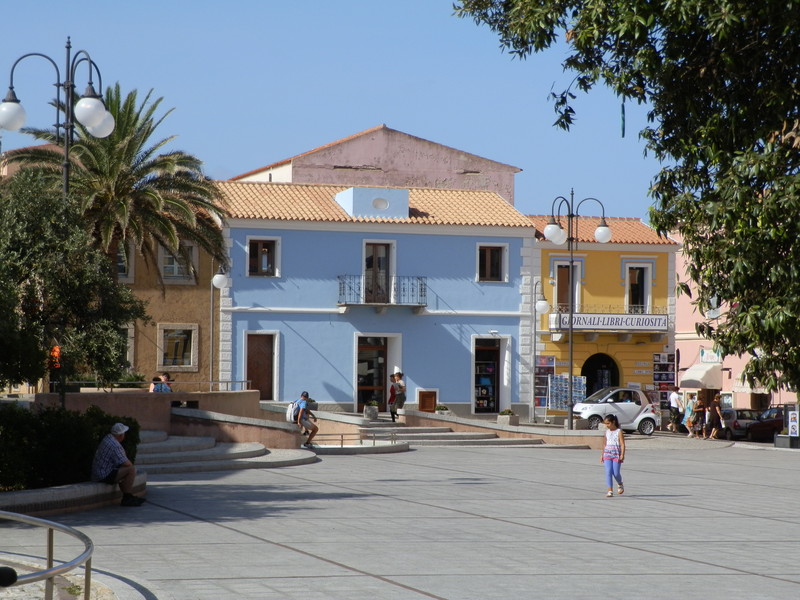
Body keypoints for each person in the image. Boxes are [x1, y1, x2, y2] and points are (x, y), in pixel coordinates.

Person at [91, 423, 145, 506]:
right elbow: (127, 464)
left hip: (99, 472)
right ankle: (127, 498)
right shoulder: (115, 445)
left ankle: (128, 496)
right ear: (120, 435)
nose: (124, 435)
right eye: (124, 433)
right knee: (131, 469)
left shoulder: (108, 438)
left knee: (125, 469)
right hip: (103, 475)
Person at [600, 414, 625, 497]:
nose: (607, 426)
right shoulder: (606, 432)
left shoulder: (619, 431)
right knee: (608, 472)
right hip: (607, 454)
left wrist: (622, 454)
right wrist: (602, 455)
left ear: (613, 422)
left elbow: (622, 444)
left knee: (616, 473)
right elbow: (604, 444)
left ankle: (620, 483)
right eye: (605, 424)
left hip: (616, 454)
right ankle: (610, 490)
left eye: (608, 423)